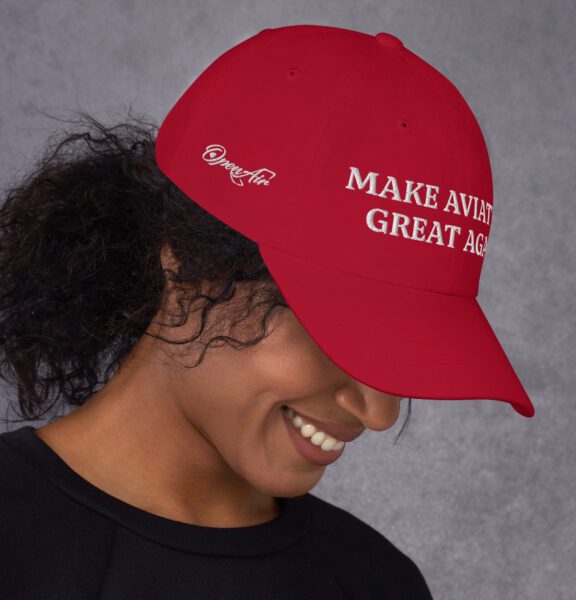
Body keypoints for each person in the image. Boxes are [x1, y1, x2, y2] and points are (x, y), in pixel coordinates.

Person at [0, 24, 534, 599]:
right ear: (183, 258)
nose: (378, 412)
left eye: (404, 351)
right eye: (344, 332)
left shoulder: (379, 584)